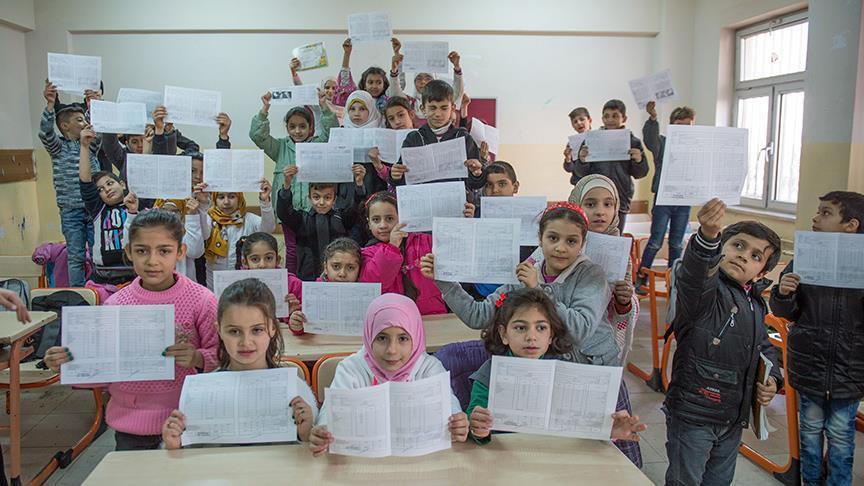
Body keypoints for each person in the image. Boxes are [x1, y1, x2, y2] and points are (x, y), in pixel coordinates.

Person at [43, 209, 220, 450]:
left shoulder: (201, 300)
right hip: (130, 425)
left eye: (164, 251)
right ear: (129, 252)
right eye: (141, 251)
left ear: (180, 252)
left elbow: (220, 355)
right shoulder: (116, 304)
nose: (152, 261)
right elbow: (101, 368)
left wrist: (198, 357)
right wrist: (69, 362)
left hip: (186, 419)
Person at [663, 198, 784, 485]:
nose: (744, 256)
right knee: (685, 480)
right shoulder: (706, 292)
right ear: (722, 248)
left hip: (732, 416)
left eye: (756, 256)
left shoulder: (754, 302)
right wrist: (707, 237)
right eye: (738, 245)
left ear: (763, 273)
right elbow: (695, 274)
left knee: (720, 480)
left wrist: (774, 380)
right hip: (694, 413)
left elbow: (763, 347)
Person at [466, 288, 646, 446]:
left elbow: (582, 428)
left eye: (541, 328)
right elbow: (474, 427)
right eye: (521, 328)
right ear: (503, 334)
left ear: (551, 335)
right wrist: (478, 430)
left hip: (557, 458)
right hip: (505, 457)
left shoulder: (567, 371)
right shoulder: (488, 374)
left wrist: (607, 430)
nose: (531, 337)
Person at [770, 191, 864, 486]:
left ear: (851, 225)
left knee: (840, 434)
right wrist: (783, 293)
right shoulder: (805, 259)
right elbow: (785, 311)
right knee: (809, 431)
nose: (815, 217)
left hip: (850, 367)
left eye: (825, 213)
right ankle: (810, 482)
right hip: (809, 363)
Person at [161, 278, 318, 448]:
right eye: (234, 331)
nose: (246, 342)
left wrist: (306, 434)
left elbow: (308, 458)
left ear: (273, 328)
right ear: (219, 330)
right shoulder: (201, 393)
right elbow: (190, 456)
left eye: (257, 330)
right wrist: (174, 444)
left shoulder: (296, 390)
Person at [308, 293, 469, 455]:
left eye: (403, 339)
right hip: (363, 466)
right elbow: (330, 416)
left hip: (418, 466)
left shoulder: (429, 368)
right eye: (382, 338)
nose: (392, 350)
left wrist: (457, 424)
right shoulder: (351, 368)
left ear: (416, 336)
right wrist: (323, 433)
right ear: (369, 334)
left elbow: (450, 410)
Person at [361, 191, 474, 315]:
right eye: (376, 220)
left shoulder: (425, 241)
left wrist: (466, 224)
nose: (383, 225)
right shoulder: (367, 254)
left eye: (390, 218)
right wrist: (392, 247)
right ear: (369, 223)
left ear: (402, 217)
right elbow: (377, 283)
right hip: (393, 320)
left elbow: (458, 252)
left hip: (433, 315)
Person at [39, 80, 100, 287]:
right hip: (70, 210)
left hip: (93, 208)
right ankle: (78, 295)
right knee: (75, 256)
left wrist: (93, 106)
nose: (84, 124)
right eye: (79, 120)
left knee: (96, 253)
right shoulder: (58, 147)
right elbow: (45, 132)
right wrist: (50, 104)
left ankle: (95, 291)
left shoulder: (91, 144)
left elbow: (97, 129)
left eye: (85, 120)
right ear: (65, 126)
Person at [635, 102, 696, 294]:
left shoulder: (695, 148)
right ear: (672, 126)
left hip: (684, 200)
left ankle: (673, 281)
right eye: (679, 125)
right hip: (663, 200)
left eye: (688, 126)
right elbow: (650, 139)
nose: (683, 130)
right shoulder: (663, 143)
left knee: (677, 244)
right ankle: (641, 277)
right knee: (655, 241)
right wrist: (653, 119)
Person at [276, 166, 366, 280]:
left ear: (334, 199)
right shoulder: (301, 219)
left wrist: (359, 183)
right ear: (309, 198)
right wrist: (287, 184)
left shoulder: (342, 218)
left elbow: (357, 208)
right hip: (307, 277)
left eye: (327, 197)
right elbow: (283, 213)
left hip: (338, 278)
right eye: (316, 197)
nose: (321, 202)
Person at [574, 99, 648, 233]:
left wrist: (638, 160)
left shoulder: (633, 142)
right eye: (606, 116)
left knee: (615, 237)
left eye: (615, 116)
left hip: (620, 198)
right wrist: (582, 160)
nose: (610, 120)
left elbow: (641, 173)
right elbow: (580, 173)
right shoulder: (591, 140)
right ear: (602, 118)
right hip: (594, 198)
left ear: (624, 118)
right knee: (590, 236)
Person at [203, 181, 275, 289]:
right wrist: (202, 205)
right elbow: (203, 234)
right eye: (221, 197)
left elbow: (268, 229)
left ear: (239, 198)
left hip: (245, 283)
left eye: (232, 196)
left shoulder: (249, 219)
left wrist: (265, 201)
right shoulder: (209, 218)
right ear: (214, 199)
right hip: (215, 282)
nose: (226, 202)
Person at [562, 107, 592, 185]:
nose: (579, 123)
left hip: (595, 180)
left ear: (590, 120)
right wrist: (568, 159)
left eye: (582, 119)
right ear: (572, 125)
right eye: (575, 122)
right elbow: (569, 169)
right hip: (579, 183)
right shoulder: (571, 143)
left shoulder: (598, 138)